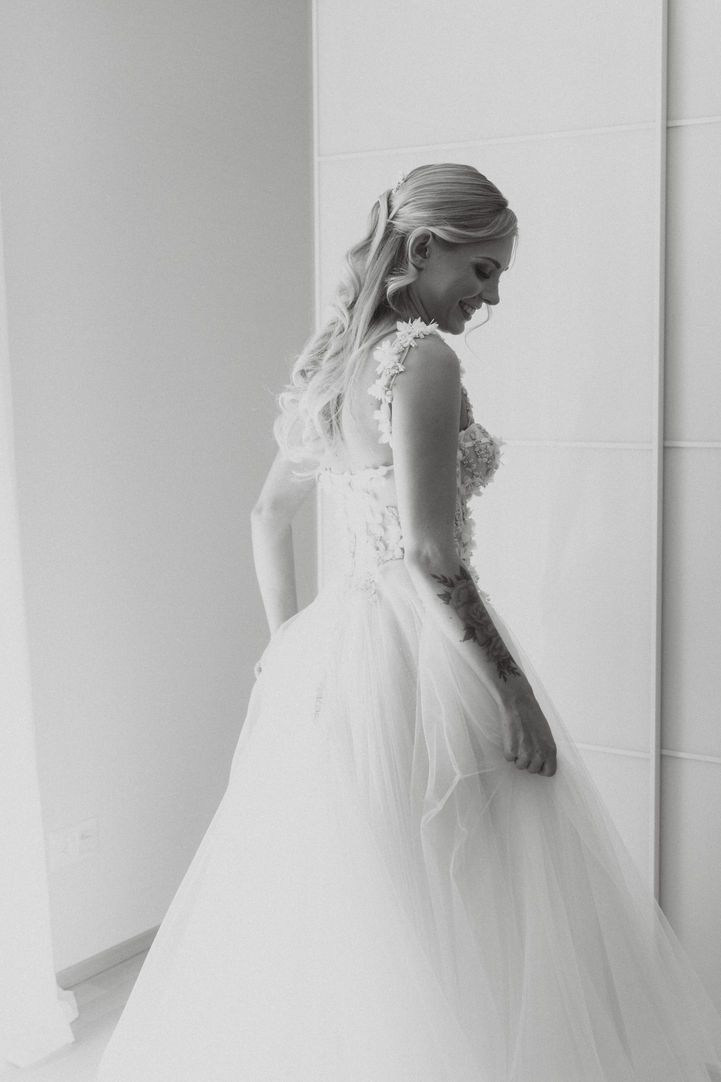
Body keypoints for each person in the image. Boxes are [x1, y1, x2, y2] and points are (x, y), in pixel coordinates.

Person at [97, 163, 721, 1081]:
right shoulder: (421, 359)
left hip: (343, 644)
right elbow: (432, 552)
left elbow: (268, 516)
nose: (492, 294)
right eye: (482, 270)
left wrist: (285, 648)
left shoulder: (333, 358)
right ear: (424, 249)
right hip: (424, 649)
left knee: (370, 894)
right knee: (463, 892)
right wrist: (513, 691)